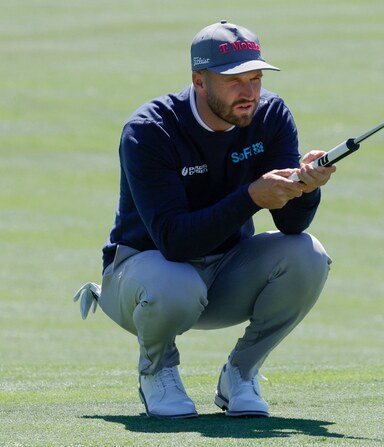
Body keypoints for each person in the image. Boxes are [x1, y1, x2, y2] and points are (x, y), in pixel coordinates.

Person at [72, 20, 335, 419]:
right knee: (175, 281)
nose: (249, 92)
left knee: (307, 255)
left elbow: (291, 225)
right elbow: (174, 242)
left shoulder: (271, 115)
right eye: (233, 81)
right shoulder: (150, 131)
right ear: (199, 80)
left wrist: (306, 188)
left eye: (255, 78)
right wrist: (250, 197)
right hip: (144, 278)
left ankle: (241, 375)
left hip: (224, 275)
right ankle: (157, 372)